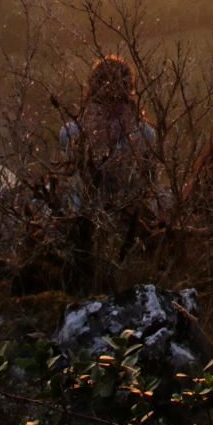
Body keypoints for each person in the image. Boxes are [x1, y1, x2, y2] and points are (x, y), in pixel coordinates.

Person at [59, 55, 156, 289]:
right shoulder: (145, 134)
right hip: (129, 230)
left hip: (79, 225)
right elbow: (150, 186)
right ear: (130, 88)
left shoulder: (70, 132)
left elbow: (68, 181)